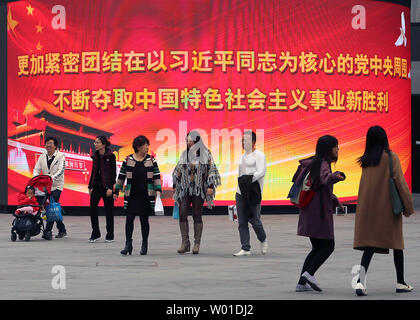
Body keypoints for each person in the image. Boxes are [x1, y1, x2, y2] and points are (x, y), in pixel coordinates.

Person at [353, 126, 415, 296]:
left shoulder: (366, 160)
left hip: (369, 210)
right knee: (397, 245)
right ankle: (401, 282)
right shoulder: (390, 157)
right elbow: (400, 183)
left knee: (370, 246)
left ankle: (360, 282)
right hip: (388, 209)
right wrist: (408, 206)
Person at [295, 135, 345, 292]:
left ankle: (301, 284)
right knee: (329, 246)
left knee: (316, 248)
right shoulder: (324, 163)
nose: (338, 149)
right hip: (319, 213)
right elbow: (324, 180)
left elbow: (320, 187)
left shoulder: (314, 162)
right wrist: (336, 176)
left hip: (309, 211)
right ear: (328, 149)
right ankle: (309, 274)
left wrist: (335, 201)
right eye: (336, 146)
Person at [172, 131, 221, 254]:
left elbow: (212, 169)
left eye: (191, 140)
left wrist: (210, 186)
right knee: (182, 213)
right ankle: (185, 243)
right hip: (185, 189)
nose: (188, 143)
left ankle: (197, 243)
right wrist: (175, 185)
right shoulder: (185, 154)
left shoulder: (206, 154)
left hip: (199, 189)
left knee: (197, 214)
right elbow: (178, 170)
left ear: (197, 141)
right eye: (187, 140)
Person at [114, 135, 162, 255]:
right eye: (146, 145)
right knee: (129, 219)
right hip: (132, 194)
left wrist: (158, 190)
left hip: (146, 195)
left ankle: (144, 244)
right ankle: (128, 244)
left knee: (144, 220)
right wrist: (116, 190)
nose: (147, 147)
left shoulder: (151, 160)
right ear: (139, 147)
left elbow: (156, 176)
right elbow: (121, 176)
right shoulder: (128, 159)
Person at [233, 131, 268, 256]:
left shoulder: (259, 155)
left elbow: (261, 172)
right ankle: (245, 247)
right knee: (242, 221)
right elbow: (240, 174)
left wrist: (247, 180)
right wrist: (241, 184)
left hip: (253, 192)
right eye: (242, 140)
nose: (243, 143)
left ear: (253, 142)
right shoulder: (242, 157)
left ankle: (263, 239)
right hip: (241, 191)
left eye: (246, 140)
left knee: (254, 220)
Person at [33, 136, 67, 240]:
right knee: (53, 208)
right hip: (45, 186)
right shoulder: (42, 156)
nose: (48, 145)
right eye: (47, 143)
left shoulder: (61, 156)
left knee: (51, 206)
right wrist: (35, 179)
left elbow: (61, 170)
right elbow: (36, 169)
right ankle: (62, 230)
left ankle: (48, 231)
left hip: (57, 185)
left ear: (55, 146)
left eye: (50, 143)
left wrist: (50, 178)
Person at [88, 136, 117, 243]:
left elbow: (113, 173)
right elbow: (93, 172)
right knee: (93, 210)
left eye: (97, 142)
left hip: (107, 187)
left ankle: (110, 234)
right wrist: (90, 186)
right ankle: (95, 233)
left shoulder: (111, 156)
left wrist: (110, 187)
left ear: (104, 144)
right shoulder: (95, 156)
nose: (95, 144)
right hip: (96, 186)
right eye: (95, 142)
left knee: (109, 211)